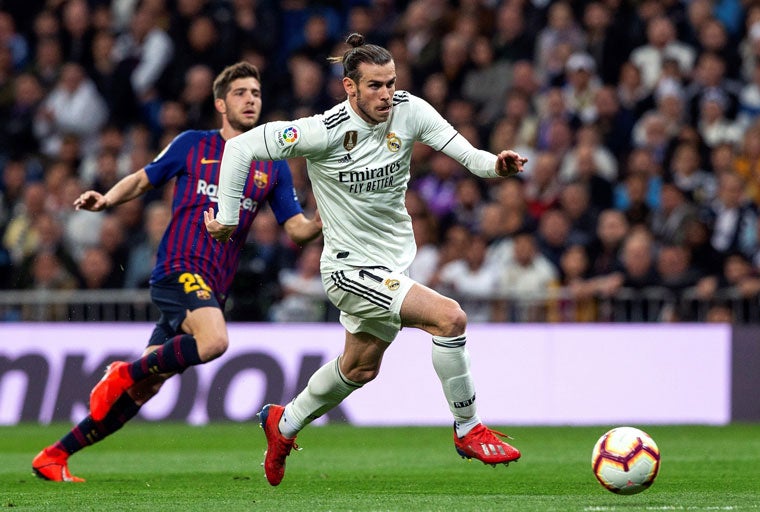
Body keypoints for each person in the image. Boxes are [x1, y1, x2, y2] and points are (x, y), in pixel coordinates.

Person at [205, 33, 528, 487]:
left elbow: (467, 155)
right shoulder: (321, 131)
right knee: (450, 318)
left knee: (359, 368)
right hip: (347, 269)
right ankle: (468, 427)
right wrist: (227, 215)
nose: (386, 94)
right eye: (374, 85)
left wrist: (497, 165)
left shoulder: (410, 110)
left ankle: (283, 423)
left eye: (391, 83)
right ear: (349, 88)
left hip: (392, 266)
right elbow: (239, 148)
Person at [31, 61, 322, 482]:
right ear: (220, 102)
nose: (250, 100)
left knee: (146, 387)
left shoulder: (270, 165)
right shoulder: (192, 145)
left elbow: (296, 228)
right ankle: (121, 372)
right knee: (215, 340)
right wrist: (106, 200)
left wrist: (326, 221)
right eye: (240, 92)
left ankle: (55, 455)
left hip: (211, 289)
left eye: (256, 93)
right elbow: (143, 179)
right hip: (178, 269)